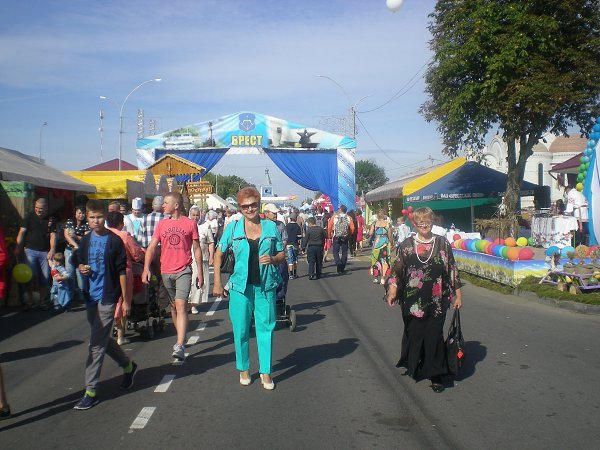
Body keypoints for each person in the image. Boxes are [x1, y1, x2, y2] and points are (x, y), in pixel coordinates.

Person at [213, 187, 285, 390]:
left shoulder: (270, 227)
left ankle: (265, 372)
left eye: (253, 205)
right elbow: (218, 254)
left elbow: (282, 254)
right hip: (239, 288)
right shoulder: (233, 228)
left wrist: (273, 259)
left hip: (265, 286)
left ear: (259, 204)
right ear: (240, 208)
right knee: (241, 329)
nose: (250, 209)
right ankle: (244, 368)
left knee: (266, 329)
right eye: (245, 206)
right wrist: (217, 282)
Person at [386, 206, 462, 393]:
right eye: (420, 221)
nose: (423, 224)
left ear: (432, 221)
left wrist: (458, 295)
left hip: (437, 299)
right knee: (415, 334)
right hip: (412, 300)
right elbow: (397, 270)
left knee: (434, 335)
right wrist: (392, 291)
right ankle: (416, 363)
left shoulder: (442, 243)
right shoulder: (406, 245)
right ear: (415, 223)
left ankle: (435, 374)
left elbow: (452, 269)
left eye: (427, 221)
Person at [72, 200, 137, 410]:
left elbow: (121, 271)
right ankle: (128, 366)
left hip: (108, 297)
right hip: (90, 297)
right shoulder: (86, 240)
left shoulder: (114, 241)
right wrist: (81, 266)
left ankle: (91, 391)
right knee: (102, 339)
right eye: (92, 217)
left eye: (99, 217)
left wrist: (125, 300)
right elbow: (77, 259)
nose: (96, 221)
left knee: (96, 344)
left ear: (105, 218)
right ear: (87, 218)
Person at [142, 192, 203, 361]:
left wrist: (200, 272)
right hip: (165, 271)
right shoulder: (162, 224)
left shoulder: (190, 224)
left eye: (166, 203)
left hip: (184, 270)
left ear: (176, 205)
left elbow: (197, 248)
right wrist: (146, 268)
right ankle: (181, 335)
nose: (163, 205)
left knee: (181, 305)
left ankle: (180, 344)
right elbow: (152, 247)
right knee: (174, 307)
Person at [106, 211, 145, 345]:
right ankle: (120, 336)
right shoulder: (124, 235)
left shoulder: (103, 235)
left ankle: (109, 329)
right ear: (121, 223)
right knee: (123, 302)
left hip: (107, 272)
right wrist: (144, 253)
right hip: (123, 271)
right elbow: (136, 254)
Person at [16, 198, 57, 309]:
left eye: (41, 209)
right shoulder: (29, 216)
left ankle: (42, 302)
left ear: (46, 208)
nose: (38, 210)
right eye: (36, 208)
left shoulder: (50, 219)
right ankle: (29, 301)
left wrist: (52, 249)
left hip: (44, 252)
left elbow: (53, 235)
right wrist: (18, 246)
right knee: (30, 276)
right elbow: (22, 232)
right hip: (30, 250)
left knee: (45, 277)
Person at [188, 205, 214, 312]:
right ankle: (187, 302)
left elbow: (210, 242)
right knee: (189, 281)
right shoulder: (186, 224)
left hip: (202, 258)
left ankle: (193, 304)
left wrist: (211, 256)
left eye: (197, 215)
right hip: (189, 258)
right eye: (193, 215)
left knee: (198, 281)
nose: (195, 217)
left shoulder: (205, 226)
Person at [64, 205, 90, 303]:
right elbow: (66, 235)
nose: (81, 215)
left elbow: (86, 238)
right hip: (69, 250)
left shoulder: (86, 224)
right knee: (69, 272)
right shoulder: (70, 221)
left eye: (83, 213)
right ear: (75, 213)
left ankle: (81, 294)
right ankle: (70, 294)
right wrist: (75, 245)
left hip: (81, 251)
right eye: (79, 213)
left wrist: (76, 237)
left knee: (80, 272)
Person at [263, 203, 289, 301]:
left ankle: (279, 298)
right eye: (273, 213)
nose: (275, 215)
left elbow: (284, 239)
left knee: (283, 276)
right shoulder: (261, 225)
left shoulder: (280, 225)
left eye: (276, 213)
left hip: (278, 256)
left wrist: (279, 252)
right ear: (266, 213)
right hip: (265, 257)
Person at [369, 209, 394, 285]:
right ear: (385, 215)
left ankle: (376, 278)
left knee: (375, 259)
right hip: (385, 243)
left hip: (376, 243)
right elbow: (390, 236)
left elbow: (370, 233)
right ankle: (383, 279)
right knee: (384, 260)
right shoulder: (387, 224)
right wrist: (392, 243)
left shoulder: (374, 223)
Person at [327, 205, 355, 274]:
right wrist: (349, 235)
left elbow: (329, 227)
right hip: (345, 236)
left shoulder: (334, 217)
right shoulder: (349, 217)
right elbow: (352, 228)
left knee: (335, 252)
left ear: (340, 210)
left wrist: (329, 236)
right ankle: (342, 267)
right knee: (344, 252)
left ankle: (338, 263)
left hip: (336, 236)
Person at [285, 213, 302, 279]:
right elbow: (299, 236)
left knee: (290, 259)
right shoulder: (297, 226)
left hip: (288, 244)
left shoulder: (287, 226)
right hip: (295, 244)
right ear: (295, 219)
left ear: (290, 218)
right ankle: (295, 273)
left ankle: (291, 274)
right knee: (295, 259)